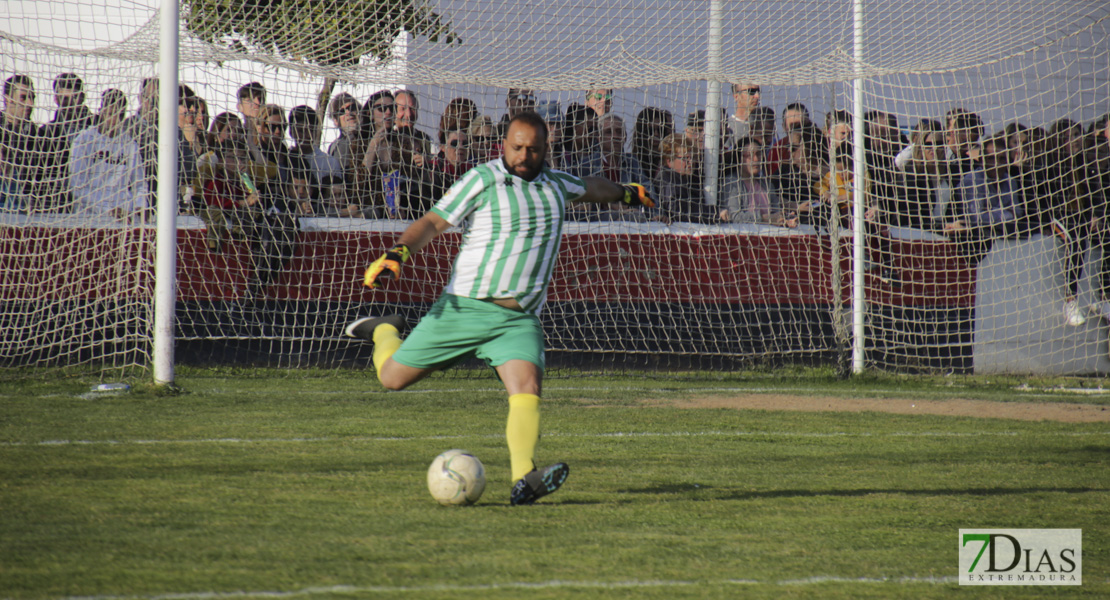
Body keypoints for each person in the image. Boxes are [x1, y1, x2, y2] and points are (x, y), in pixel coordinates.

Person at [343, 111, 654, 506]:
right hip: (464, 308)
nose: (524, 155)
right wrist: (398, 252)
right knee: (391, 379)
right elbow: (433, 222)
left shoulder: (557, 184)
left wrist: (627, 192)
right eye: (516, 147)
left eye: (533, 149)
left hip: (518, 319)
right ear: (504, 144)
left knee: (527, 389)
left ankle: (524, 478)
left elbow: (593, 188)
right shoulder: (483, 179)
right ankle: (385, 330)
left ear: (546, 149)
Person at [943, 133, 1024, 268]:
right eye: (991, 158)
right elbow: (976, 219)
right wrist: (1005, 213)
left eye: (1002, 158)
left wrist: (991, 212)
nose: (997, 163)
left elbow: (1018, 213)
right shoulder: (972, 180)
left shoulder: (1011, 182)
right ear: (982, 160)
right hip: (970, 246)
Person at [68, 89, 146, 217]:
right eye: (110, 114)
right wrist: (107, 210)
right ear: (101, 112)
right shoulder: (83, 141)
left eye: (120, 115)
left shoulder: (130, 144)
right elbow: (77, 187)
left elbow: (139, 183)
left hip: (124, 214)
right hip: (90, 216)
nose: (115, 119)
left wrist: (140, 205)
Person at [566, 113, 650, 222]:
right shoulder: (586, 165)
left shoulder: (632, 163)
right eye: (608, 132)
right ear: (599, 138)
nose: (615, 136)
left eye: (619, 132)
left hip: (631, 219)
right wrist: (611, 206)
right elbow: (578, 202)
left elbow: (648, 190)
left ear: (625, 137)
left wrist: (656, 214)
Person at [37, 73, 97, 212]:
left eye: (73, 97)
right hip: (57, 204)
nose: (68, 104)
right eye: (63, 98)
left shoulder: (98, 127)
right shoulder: (46, 132)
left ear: (82, 97)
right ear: (56, 98)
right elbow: (41, 174)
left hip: (94, 201)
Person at [720, 137, 793, 226]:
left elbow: (776, 213)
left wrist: (786, 219)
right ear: (739, 158)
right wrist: (763, 218)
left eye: (758, 154)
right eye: (749, 155)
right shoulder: (731, 183)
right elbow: (734, 216)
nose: (756, 159)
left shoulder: (767, 185)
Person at [653, 132, 715, 224]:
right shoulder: (666, 179)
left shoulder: (689, 178)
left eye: (692, 157)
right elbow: (678, 212)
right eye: (685, 158)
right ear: (669, 161)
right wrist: (714, 213)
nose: (691, 162)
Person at [1, 74, 40, 212]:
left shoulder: (34, 132)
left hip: (25, 206)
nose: (30, 103)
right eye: (23, 97)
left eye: (32, 98)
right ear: (7, 99)